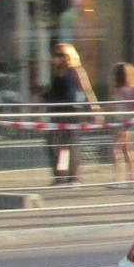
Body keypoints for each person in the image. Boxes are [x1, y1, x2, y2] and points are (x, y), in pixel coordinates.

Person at [41, 43, 99, 185]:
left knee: (69, 145)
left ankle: (72, 177)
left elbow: (87, 91)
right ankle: (60, 175)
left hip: (71, 112)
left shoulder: (75, 71)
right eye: (55, 54)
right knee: (55, 145)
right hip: (56, 112)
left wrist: (95, 111)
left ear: (68, 56)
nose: (57, 58)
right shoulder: (55, 72)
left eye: (60, 55)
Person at [108, 62, 134, 185]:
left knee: (117, 150)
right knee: (128, 150)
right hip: (131, 122)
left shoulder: (120, 90)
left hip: (122, 122)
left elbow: (115, 105)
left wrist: (99, 110)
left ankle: (120, 179)